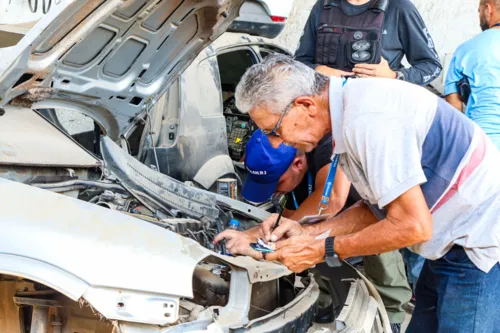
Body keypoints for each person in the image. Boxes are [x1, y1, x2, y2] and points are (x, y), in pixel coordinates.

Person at [231, 54, 500, 332]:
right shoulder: (351, 108)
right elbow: (377, 208)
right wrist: (307, 233)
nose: (277, 144)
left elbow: (413, 226)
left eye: (273, 131)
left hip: (479, 244)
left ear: (305, 105)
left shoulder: (368, 121)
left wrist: (321, 250)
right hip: (451, 240)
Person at [219, 129, 411, 332]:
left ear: (298, 164)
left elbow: (333, 198)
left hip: (371, 219)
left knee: (384, 276)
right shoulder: (291, 173)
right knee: (319, 267)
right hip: (331, 228)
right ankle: (324, 307)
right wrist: (261, 238)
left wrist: (264, 233)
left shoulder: (327, 145)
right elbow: (289, 220)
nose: (274, 191)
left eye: (277, 183)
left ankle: (392, 322)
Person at [295, 0, 442, 84]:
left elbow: (431, 66)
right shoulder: (323, 5)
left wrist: (394, 76)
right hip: (326, 110)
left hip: (377, 112)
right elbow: (299, 62)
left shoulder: (400, 8)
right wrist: (317, 70)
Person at [444, 0, 500, 150]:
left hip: (483, 145)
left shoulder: (465, 50)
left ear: (488, 9)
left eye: (479, 10)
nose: (479, 15)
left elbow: (453, 107)